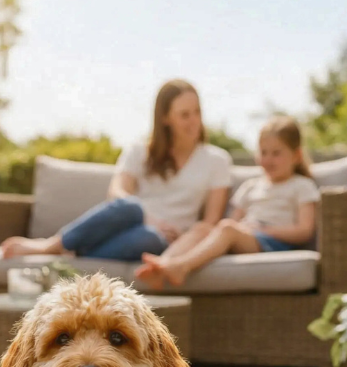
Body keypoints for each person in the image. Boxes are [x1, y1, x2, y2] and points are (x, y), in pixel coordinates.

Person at [0, 79, 233, 262]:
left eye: (197, 112)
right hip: (134, 219)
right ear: (165, 118)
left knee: (147, 239)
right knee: (130, 206)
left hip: (166, 238)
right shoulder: (139, 151)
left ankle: (72, 252)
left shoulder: (217, 160)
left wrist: (184, 240)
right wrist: (148, 218)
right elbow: (117, 193)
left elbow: (211, 222)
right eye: (184, 114)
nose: (194, 121)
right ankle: (52, 246)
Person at [135, 115, 320, 287]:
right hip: (247, 236)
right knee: (202, 228)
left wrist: (263, 230)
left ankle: (181, 267)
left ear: (296, 156)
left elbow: (305, 230)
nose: (268, 159)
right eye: (264, 152)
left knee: (227, 228)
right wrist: (235, 230)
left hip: (273, 243)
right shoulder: (251, 186)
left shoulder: (301, 186)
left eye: (276, 153)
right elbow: (235, 220)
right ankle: (163, 265)